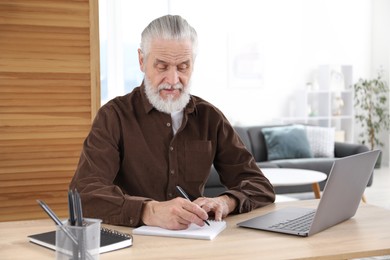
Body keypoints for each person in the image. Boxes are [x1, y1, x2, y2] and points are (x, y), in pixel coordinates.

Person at [70, 14, 275, 230]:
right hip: (131, 243)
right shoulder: (113, 116)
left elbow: (260, 186)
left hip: (195, 241)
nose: (173, 79)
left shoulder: (210, 118)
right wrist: (149, 211)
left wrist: (226, 201)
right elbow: (84, 194)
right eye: (162, 66)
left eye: (183, 67)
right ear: (142, 61)